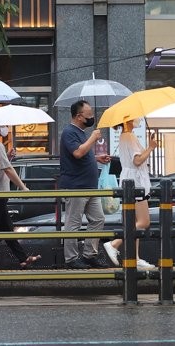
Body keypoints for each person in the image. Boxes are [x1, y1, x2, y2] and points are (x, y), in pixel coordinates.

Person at [59, 100, 112, 269]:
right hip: (76, 185)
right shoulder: (69, 132)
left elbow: (83, 152)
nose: (92, 117)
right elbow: (78, 152)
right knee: (73, 223)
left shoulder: (81, 132)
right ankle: (71, 259)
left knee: (98, 219)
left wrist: (96, 158)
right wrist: (93, 138)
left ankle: (90, 254)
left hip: (90, 185)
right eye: (89, 114)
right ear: (79, 116)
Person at [0, 125, 39, 268]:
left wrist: (7, 157)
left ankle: (23, 258)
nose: (5, 128)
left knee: (6, 228)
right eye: (3, 125)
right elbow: (7, 169)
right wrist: (23, 187)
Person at [102, 119, 158, 271]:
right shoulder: (129, 136)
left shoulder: (125, 136)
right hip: (136, 183)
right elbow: (138, 160)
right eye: (136, 117)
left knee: (134, 221)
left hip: (130, 180)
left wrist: (148, 146)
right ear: (128, 119)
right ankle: (114, 244)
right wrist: (151, 147)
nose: (139, 119)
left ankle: (136, 257)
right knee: (144, 222)